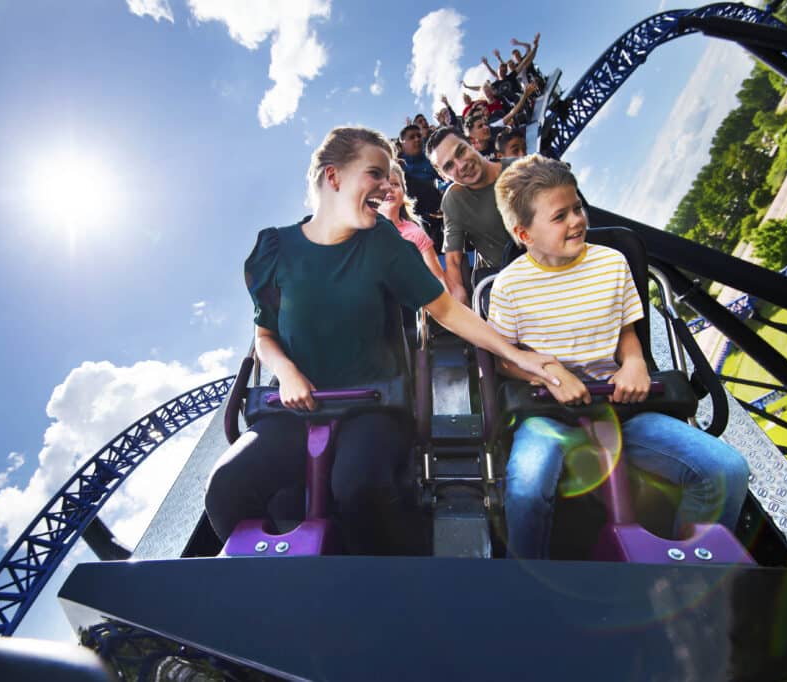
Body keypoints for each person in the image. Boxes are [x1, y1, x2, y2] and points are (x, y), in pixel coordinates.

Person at [205, 127, 561, 556]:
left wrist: (517, 353)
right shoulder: (275, 248)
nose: (386, 185)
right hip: (294, 410)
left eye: (389, 175)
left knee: (359, 486)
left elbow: (446, 310)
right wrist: (287, 373)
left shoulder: (381, 243)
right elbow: (265, 337)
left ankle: (394, 579)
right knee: (226, 486)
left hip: (372, 404)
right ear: (333, 177)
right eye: (374, 174)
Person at [488, 155, 751, 559]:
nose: (577, 220)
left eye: (577, 208)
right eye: (560, 216)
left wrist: (634, 364)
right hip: (549, 415)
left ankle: (691, 569)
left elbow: (627, 333)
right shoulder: (509, 287)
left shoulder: (612, 262)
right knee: (526, 487)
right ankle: (527, 580)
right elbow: (505, 361)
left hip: (620, 408)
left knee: (726, 469)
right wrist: (550, 375)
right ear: (525, 233)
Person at [426, 126, 518, 305]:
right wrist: (460, 297)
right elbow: (453, 259)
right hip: (506, 286)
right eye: (449, 166)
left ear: (473, 143)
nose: (461, 166)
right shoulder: (453, 200)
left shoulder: (522, 169)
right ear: (443, 175)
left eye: (461, 151)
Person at [379, 160, 447, 290]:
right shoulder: (362, 231)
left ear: (403, 192)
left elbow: (439, 280)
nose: (389, 190)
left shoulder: (415, 233)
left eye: (394, 184)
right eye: (382, 185)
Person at [397, 124, 445, 250]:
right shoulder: (399, 166)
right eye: (411, 137)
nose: (417, 139)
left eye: (419, 136)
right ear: (402, 144)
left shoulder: (432, 159)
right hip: (413, 212)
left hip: (438, 208)